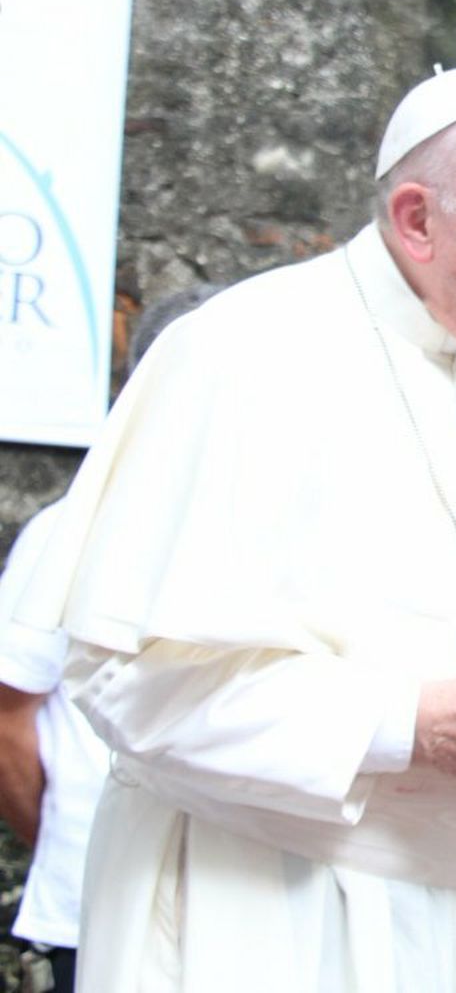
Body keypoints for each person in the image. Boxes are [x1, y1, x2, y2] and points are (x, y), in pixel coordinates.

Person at [10, 65, 456, 993]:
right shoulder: (240, 352)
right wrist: (401, 724)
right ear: (416, 219)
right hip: (259, 913)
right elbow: (130, 681)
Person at [0, 284, 224, 993]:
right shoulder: (68, 530)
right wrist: (76, 839)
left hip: (232, 908)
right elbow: (8, 715)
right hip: (102, 901)